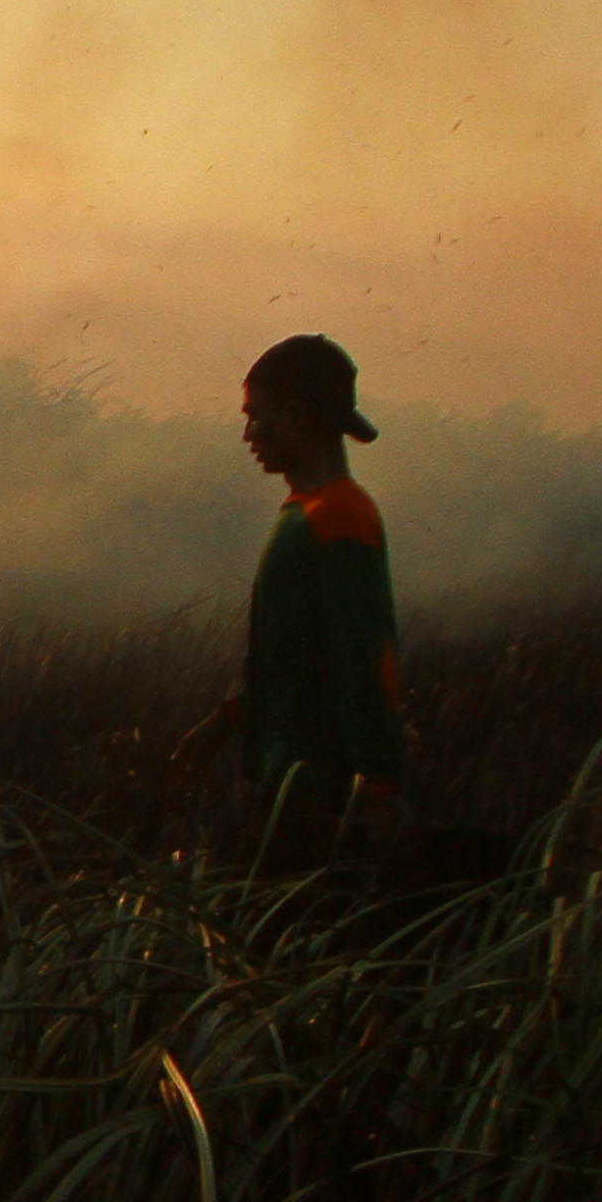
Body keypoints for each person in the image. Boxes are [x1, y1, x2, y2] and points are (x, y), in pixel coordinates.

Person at [174, 334, 408, 845]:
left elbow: (365, 656)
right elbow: (292, 657)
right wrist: (224, 722)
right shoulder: (305, 513)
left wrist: (380, 787)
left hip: (322, 796)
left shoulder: (339, 516)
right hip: (289, 787)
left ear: (297, 415)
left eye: (257, 416)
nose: (248, 434)